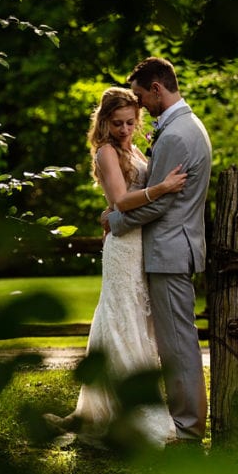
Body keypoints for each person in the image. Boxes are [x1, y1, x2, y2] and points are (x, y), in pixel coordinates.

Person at [45, 86, 186, 448]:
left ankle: (96, 411)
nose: (124, 129)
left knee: (134, 325)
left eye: (129, 122)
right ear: (105, 122)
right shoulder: (106, 152)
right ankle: (136, 417)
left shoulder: (133, 149)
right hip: (123, 248)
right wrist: (164, 188)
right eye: (117, 123)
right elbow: (121, 201)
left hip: (142, 246)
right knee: (123, 322)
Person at [106, 57, 212, 445]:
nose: (139, 105)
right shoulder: (184, 126)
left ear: (156, 89)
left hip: (168, 251)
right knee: (174, 340)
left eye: (139, 95)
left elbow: (160, 205)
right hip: (172, 249)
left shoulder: (175, 136)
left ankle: (187, 429)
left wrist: (114, 221)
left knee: (177, 344)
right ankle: (185, 422)